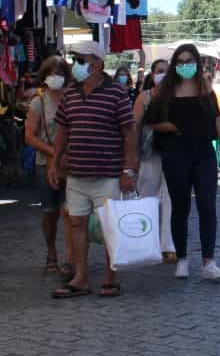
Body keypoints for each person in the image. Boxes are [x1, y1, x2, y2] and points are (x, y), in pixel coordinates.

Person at [48, 40, 139, 299]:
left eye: (80, 60)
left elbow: (129, 132)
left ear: (97, 63)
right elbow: (62, 130)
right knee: (76, 223)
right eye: (75, 59)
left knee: (109, 226)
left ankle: (111, 277)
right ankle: (81, 278)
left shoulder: (117, 93)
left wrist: (128, 171)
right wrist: (54, 163)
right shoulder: (71, 93)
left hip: (108, 173)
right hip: (77, 172)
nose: (75, 65)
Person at [145, 45, 220, 280]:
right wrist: (176, 128)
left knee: (208, 206)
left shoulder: (206, 89)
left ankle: (208, 261)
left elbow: (217, 121)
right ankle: (182, 258)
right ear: (176, 64)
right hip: (175, 153)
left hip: (204, 153)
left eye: (189, 60)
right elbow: (153, 122)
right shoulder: (164, 91)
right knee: (180, 207)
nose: (185, 65)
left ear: (197, 62)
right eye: (181, 61)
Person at [24, 56, 72, 276]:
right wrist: (55, 153)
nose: (56, 78)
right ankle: (51, 252)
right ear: (44, 77)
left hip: (73, 164)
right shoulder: (38, 102)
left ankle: (72, 258)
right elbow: (30, 137)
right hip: (46, 164)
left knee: (72, 213)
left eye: (60, 74)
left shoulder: (73, 98)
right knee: (50, 212)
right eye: (52, 74)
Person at [133, 59, 176, 264]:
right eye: (159, 71)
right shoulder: (144, 97)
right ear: (152, 74)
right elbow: (134, 127)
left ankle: (168, 246)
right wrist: (131, 156)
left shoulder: (178, 95)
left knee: (171, 199)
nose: (163, 74)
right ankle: (144, 241)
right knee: (146, 196)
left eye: (166, 71)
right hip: (148, 153)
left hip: (172, 152)